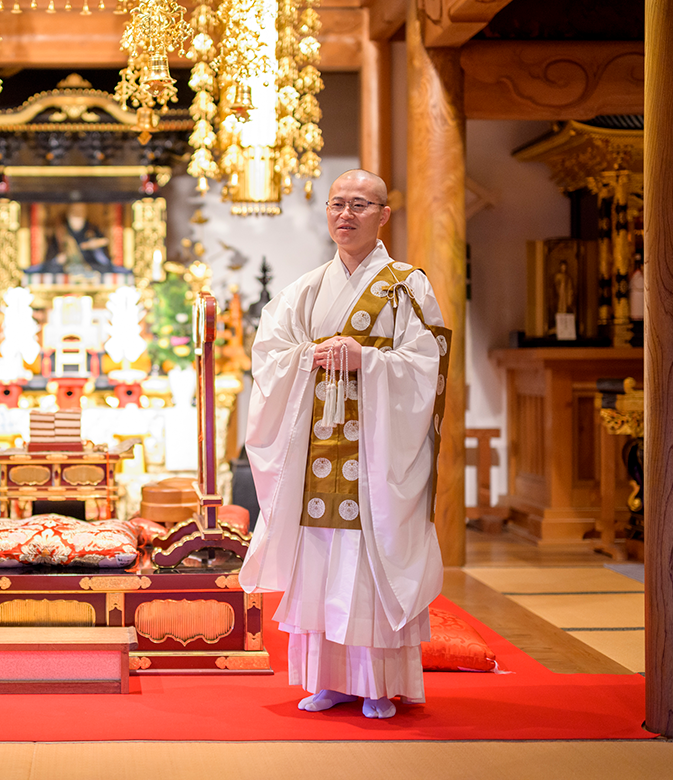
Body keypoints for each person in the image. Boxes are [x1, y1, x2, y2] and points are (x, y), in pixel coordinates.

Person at [239, 170, 449, 720]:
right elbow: (270, 355)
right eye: (337, 204)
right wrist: (310, 357)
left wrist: (368, 360)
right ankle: (328, 679)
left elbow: (427, 364)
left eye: (360, 204)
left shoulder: (407, 285)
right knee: (325, 561)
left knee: (370, 562)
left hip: (377, 454)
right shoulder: (305, 289)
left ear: (383, 214)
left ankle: (378, 685)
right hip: (316, 452)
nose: (345, 214)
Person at [25, 203, 131, 277]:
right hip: (66, 268)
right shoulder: (60, 231)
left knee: (105, 270)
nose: (77, 215)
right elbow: (50, 257)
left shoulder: (92, 230)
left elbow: (104, 258)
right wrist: (57, 260)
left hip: (91, 266)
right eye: (74, 212)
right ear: (68, 215)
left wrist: (95, 246)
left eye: (80, 212)